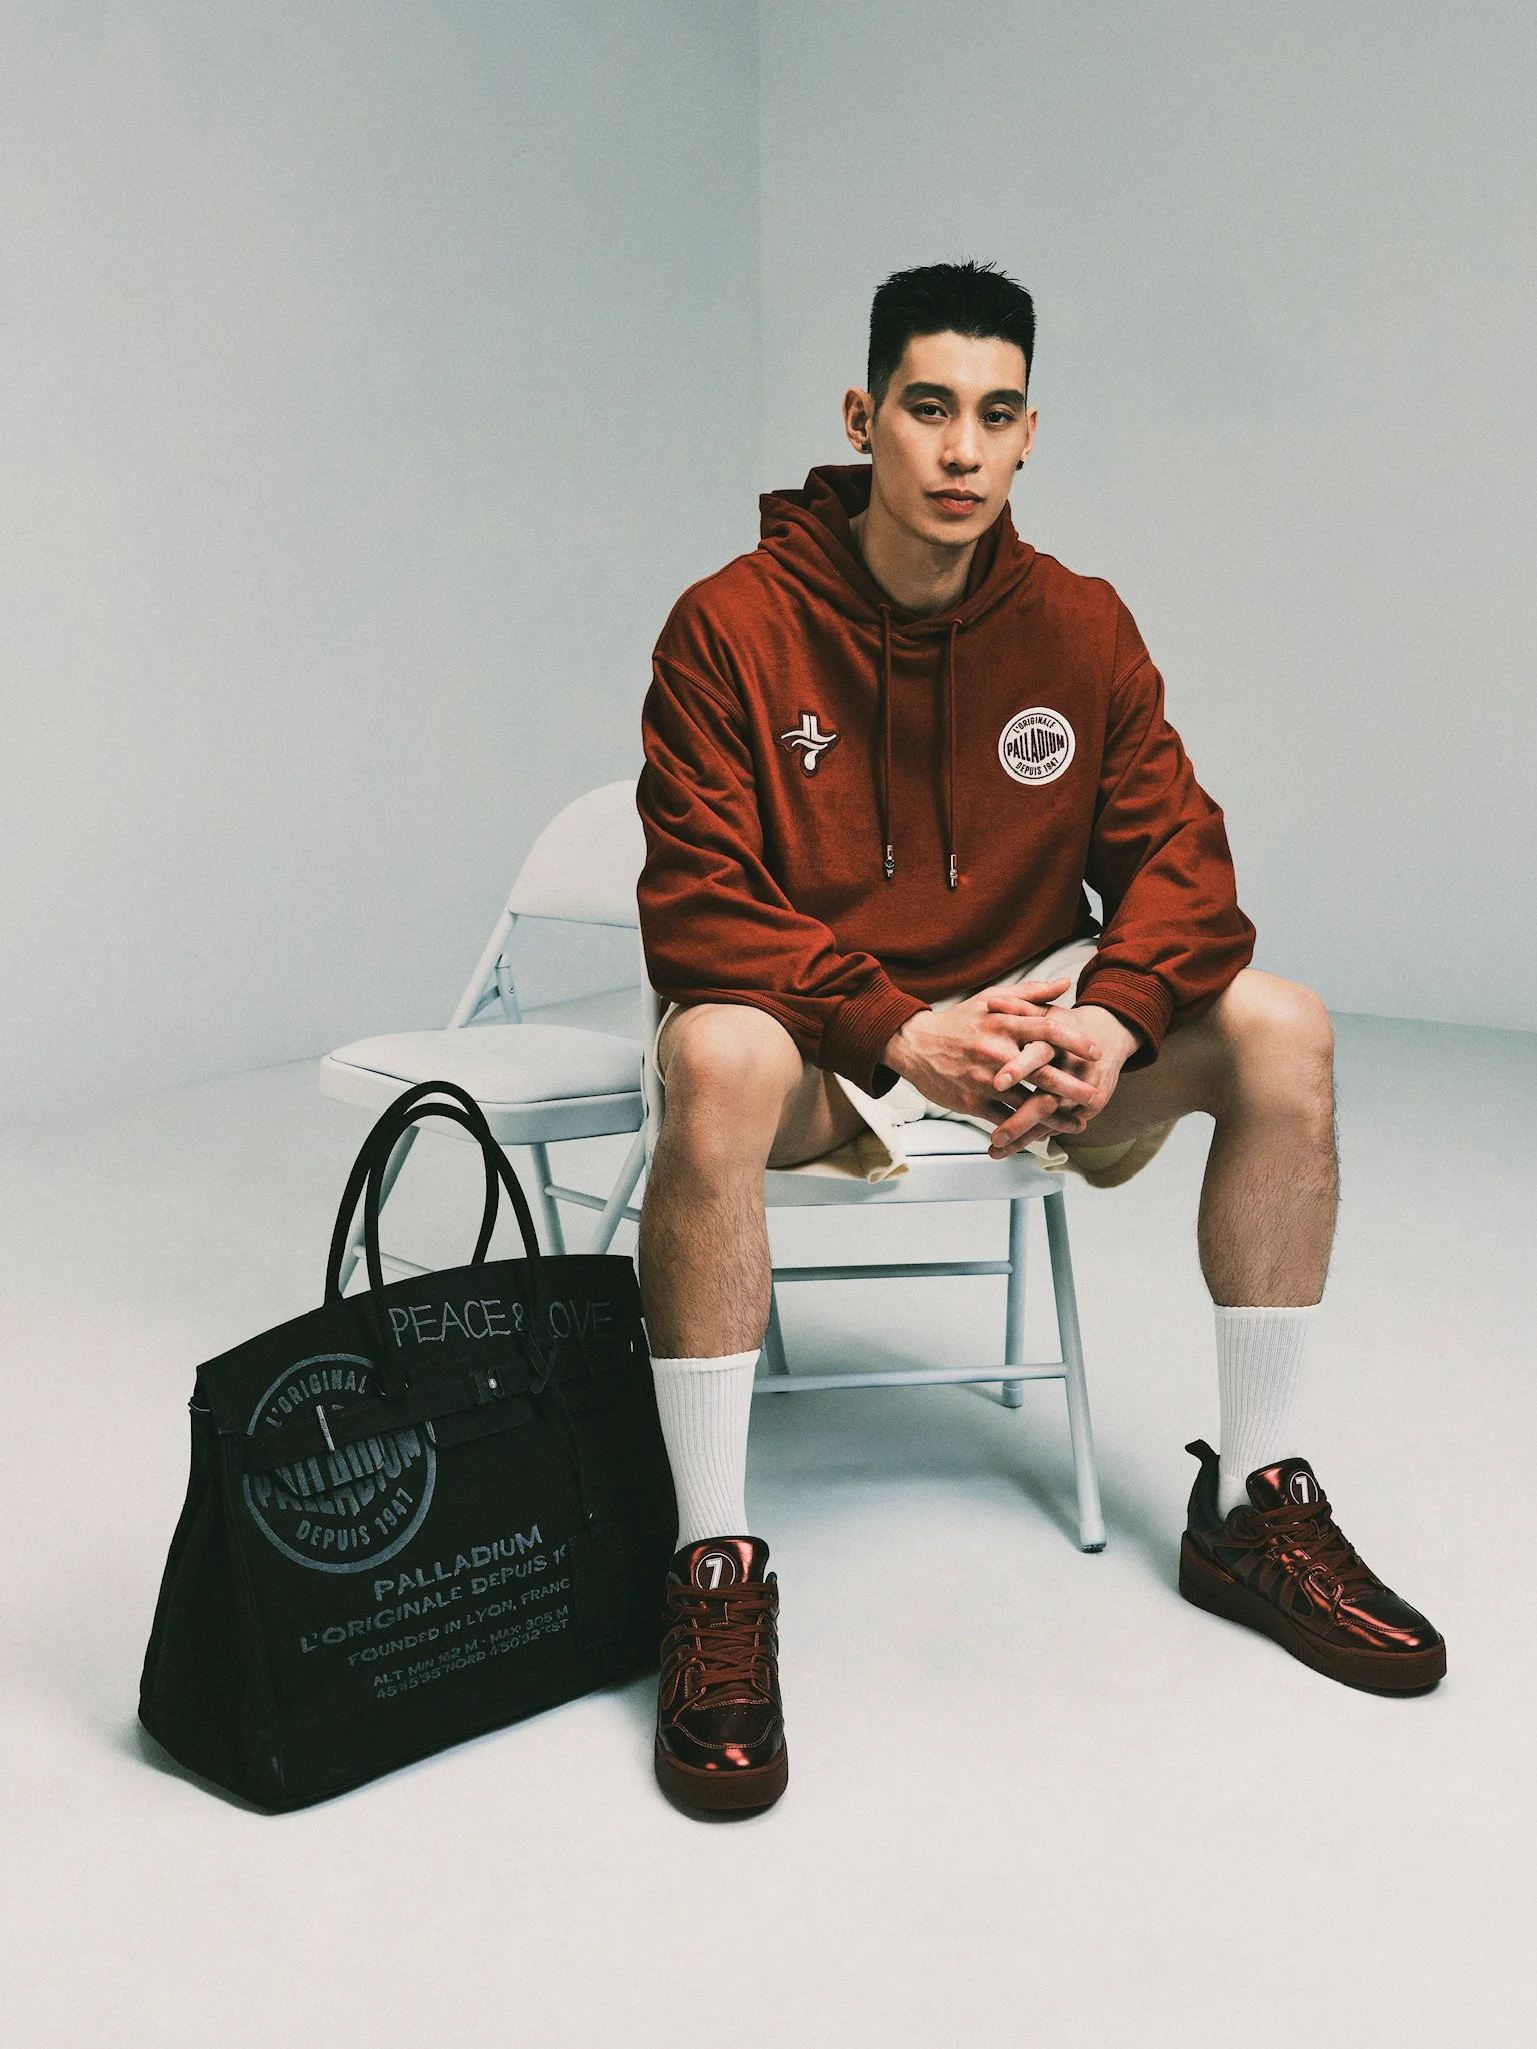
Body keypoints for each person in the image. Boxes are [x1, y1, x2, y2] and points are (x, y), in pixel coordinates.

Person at [634, 260, 1443, 1816]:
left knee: (1282, 1029)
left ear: (1026, 438)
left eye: (993, 417)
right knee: (710, 1057)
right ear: (865, 418)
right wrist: (896, 1026)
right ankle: (716, 1562)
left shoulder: (1077, 626)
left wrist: (1119, 1018)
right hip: (833, 1049)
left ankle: (1253, 1502)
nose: (958, 452)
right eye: (928, 410)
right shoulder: (728, 628)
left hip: (1030, 1045)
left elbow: (1185, 863)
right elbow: (699, 908)